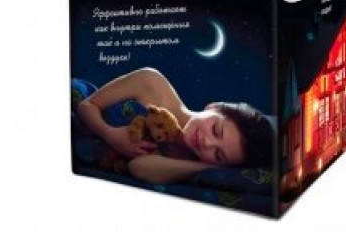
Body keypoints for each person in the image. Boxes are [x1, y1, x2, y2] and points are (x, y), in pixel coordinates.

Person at [75, 67, 273, 184]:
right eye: (215, 130)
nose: (207, 143)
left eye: (218, 154)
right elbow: (86, 106)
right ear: (214, 107)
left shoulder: (184, 162)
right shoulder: (152, 82)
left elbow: (139, 167)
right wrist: (110, 135)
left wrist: (206, 166)